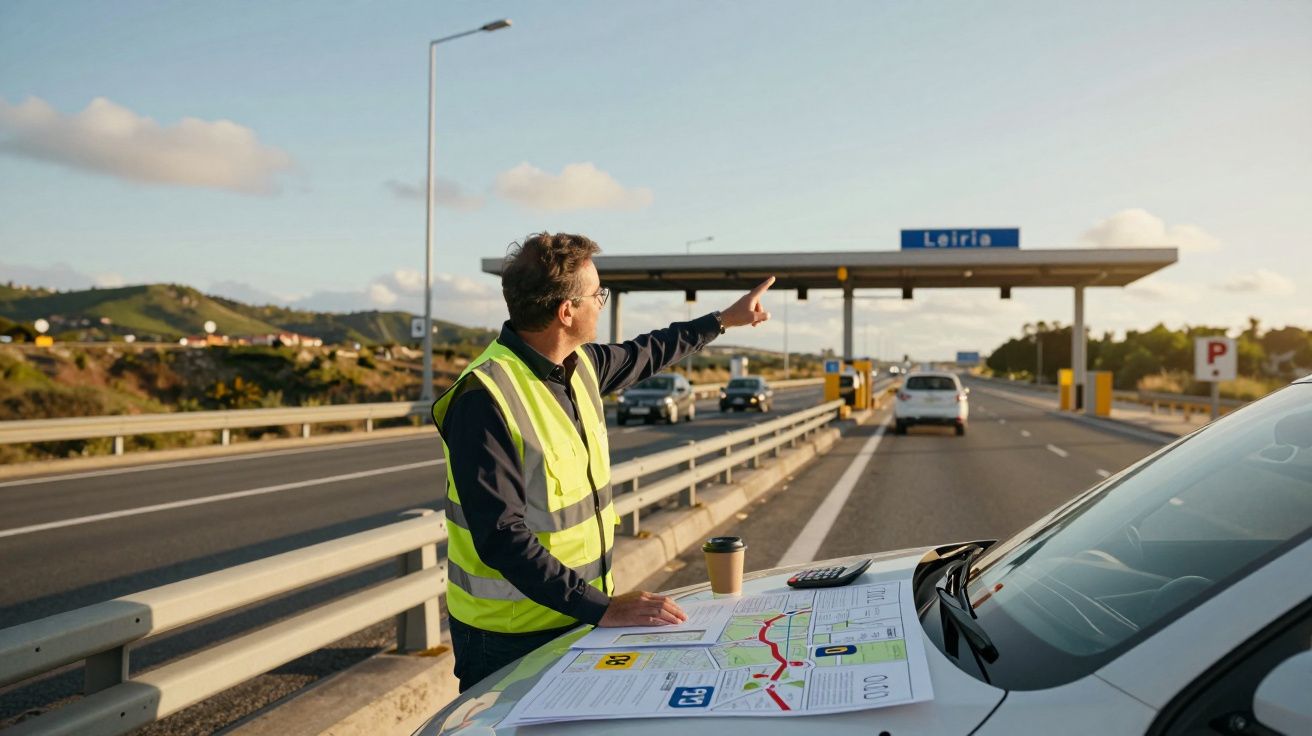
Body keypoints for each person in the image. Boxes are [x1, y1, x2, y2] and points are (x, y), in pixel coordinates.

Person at [432, 232, 775, 692]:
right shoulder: (485, 398)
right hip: (508, 637)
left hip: (577, 615)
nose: (602, 303)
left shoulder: (580, 366)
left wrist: (723, 321)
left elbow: (651, 350)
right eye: (598, 294)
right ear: (566, 311)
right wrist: (601, 608)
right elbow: (501, 537)